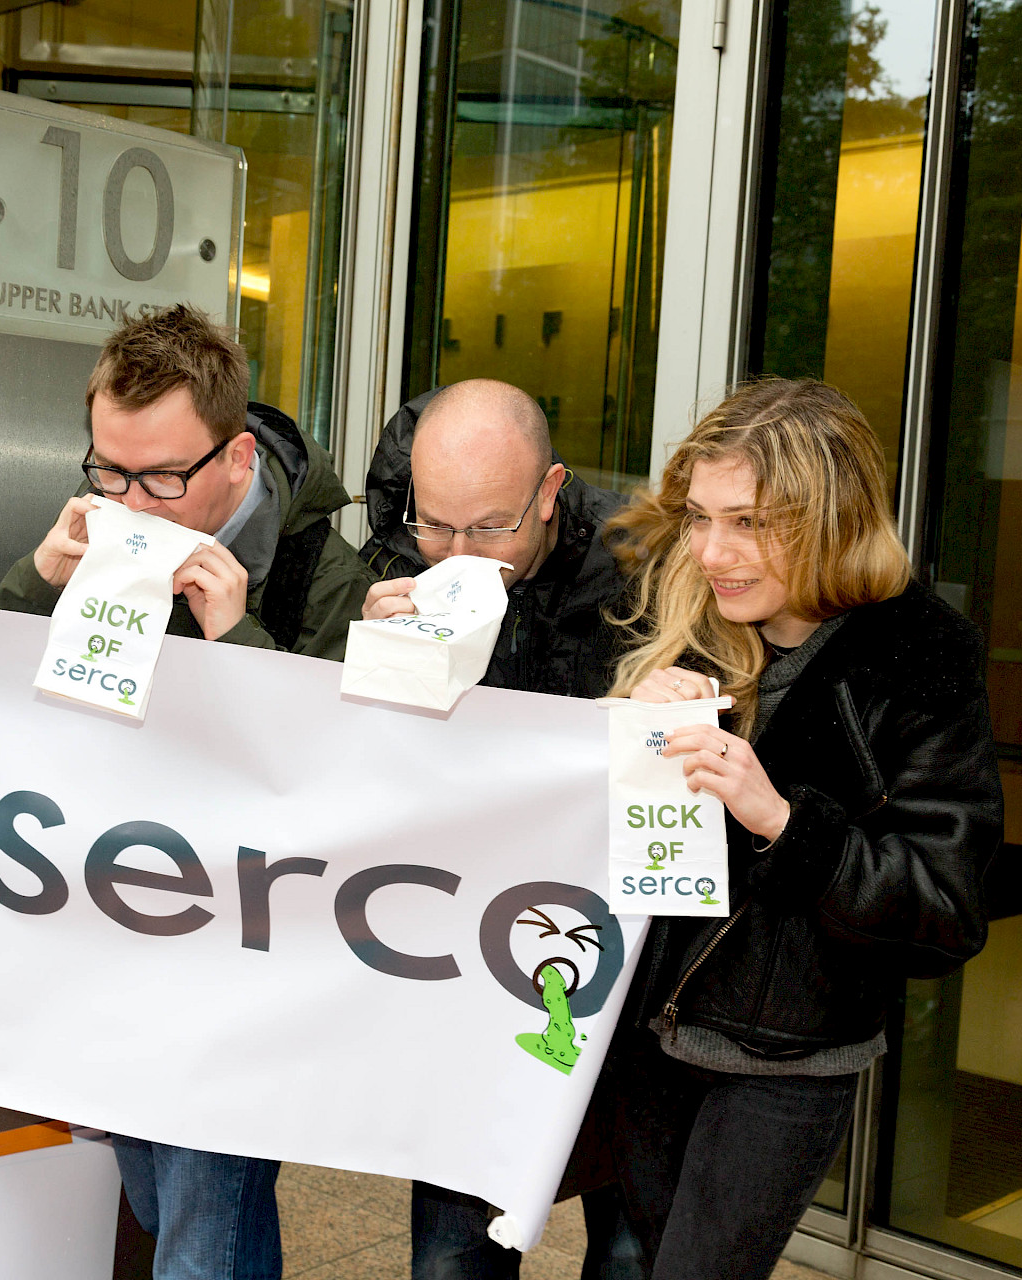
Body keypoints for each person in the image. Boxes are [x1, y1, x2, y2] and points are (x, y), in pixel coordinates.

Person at [0, 303, 374, 1279]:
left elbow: (345, 781)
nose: (133, 502)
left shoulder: (318, 575)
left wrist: (238, 643)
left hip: (239, 954)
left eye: (161, 477)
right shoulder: (97, 543)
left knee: (203, 1229)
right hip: (116, 929)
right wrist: (38, 582)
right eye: (108, 471)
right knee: (153, 1192)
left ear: (236, 461)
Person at [601, 378, 1002, 1280]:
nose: (711, 551)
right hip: (647, 1040)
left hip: (787, 1064)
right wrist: (623, 725)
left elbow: (945, 908)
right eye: (701, 518)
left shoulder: (921, 655)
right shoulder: (691, 628)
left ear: (833, 516)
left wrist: (784, 821)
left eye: (749, 522)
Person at [356, 379, 638, 1280]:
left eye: (490, 529)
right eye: (437, 526)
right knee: (451, 1257)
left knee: (632, 1248)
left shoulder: (645, 578)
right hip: (472, 966)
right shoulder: (399, 551)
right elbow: (372, 782)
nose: (457, 552)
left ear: (550, 493)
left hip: (616, 968)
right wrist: (372, 666)